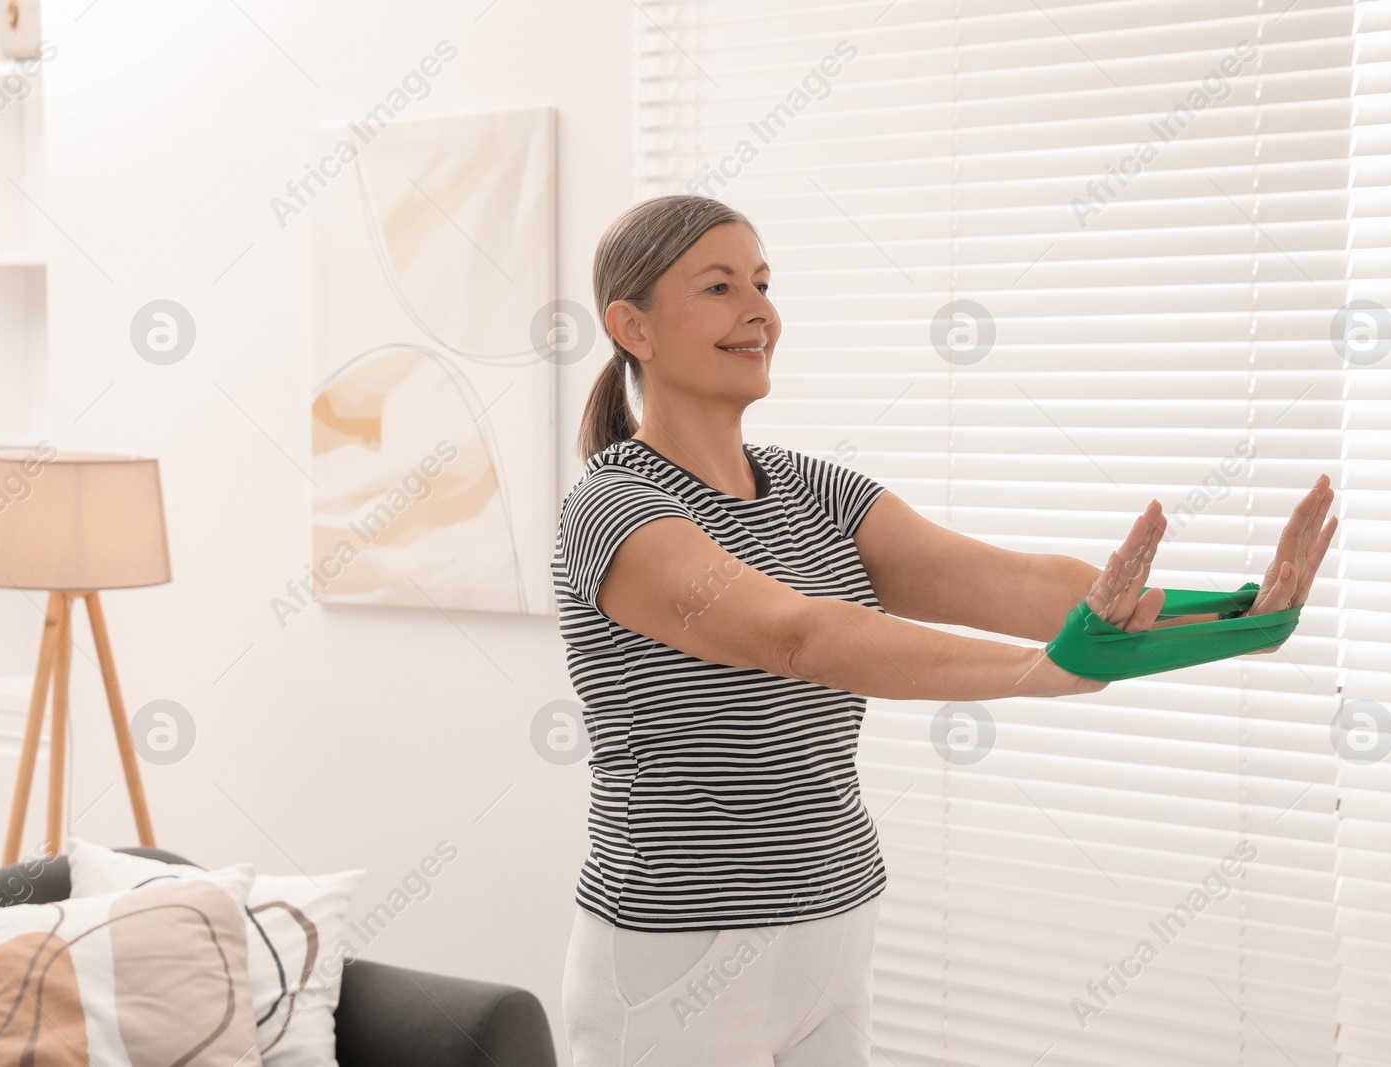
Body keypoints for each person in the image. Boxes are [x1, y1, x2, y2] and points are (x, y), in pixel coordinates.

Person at [551, 194, 1337, 1066]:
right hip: (678, 947)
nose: (760, 311)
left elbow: (1012, 581)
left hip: (835, 920)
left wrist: (1233, 614)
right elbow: (794, 636)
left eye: (764, 283)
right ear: (635, 327)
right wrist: (1039, 672)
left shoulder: (813, 487)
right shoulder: (613, 506)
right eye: (719, 285)